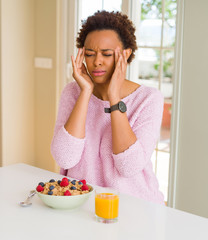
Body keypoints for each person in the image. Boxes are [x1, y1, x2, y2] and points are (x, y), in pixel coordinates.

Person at [50, 10, 164, 204]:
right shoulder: (73, 93)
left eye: (107, 54)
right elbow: (65, 158)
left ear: (126, 54)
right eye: (89, 54)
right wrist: (85, 92)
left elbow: (129, 166)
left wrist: (114, 98)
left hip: (135, 206)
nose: (97, 62)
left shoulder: (149, 98)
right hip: (81, 204)